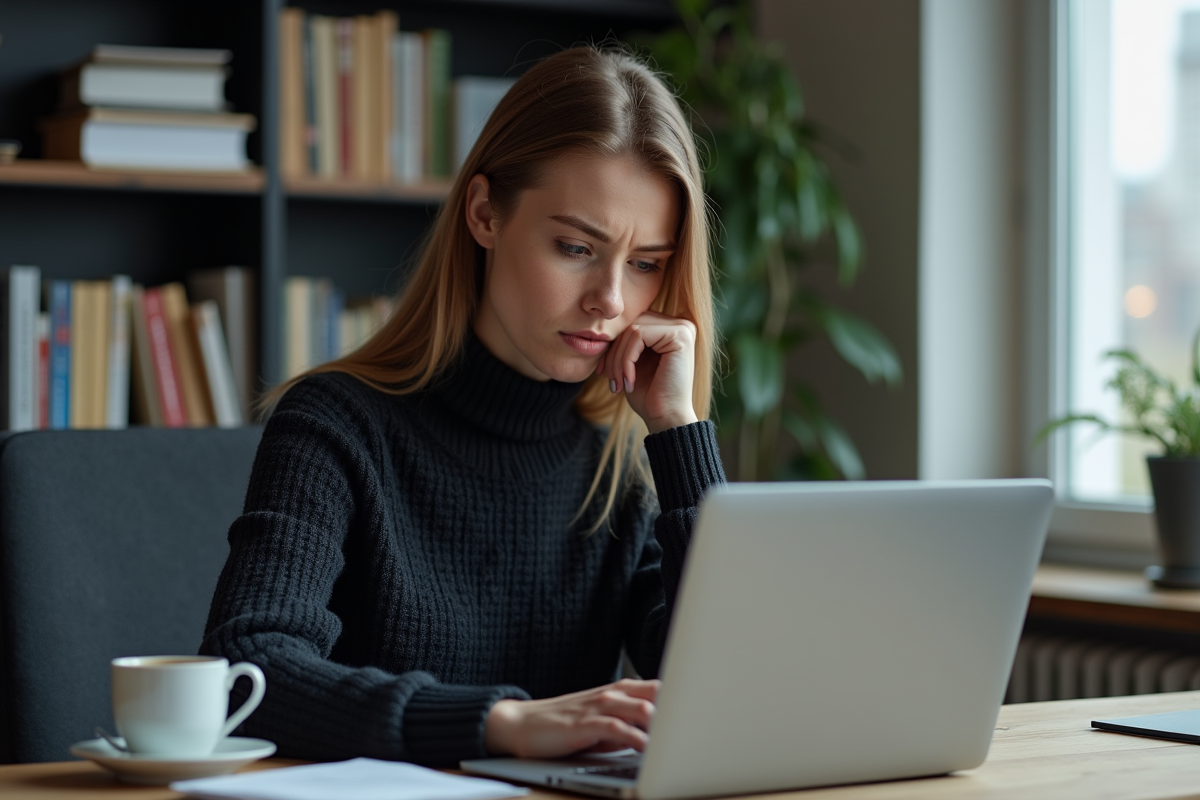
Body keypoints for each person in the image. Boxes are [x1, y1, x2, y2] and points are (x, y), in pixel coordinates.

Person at [200, 45, 726, 766]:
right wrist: (497, 722)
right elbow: (247, 669)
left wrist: (680, 434)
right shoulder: (335, 425)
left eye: (645, 265)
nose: (610, 300)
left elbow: (727, 686)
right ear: (485, 213)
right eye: (576, 246)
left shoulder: (619, 462)